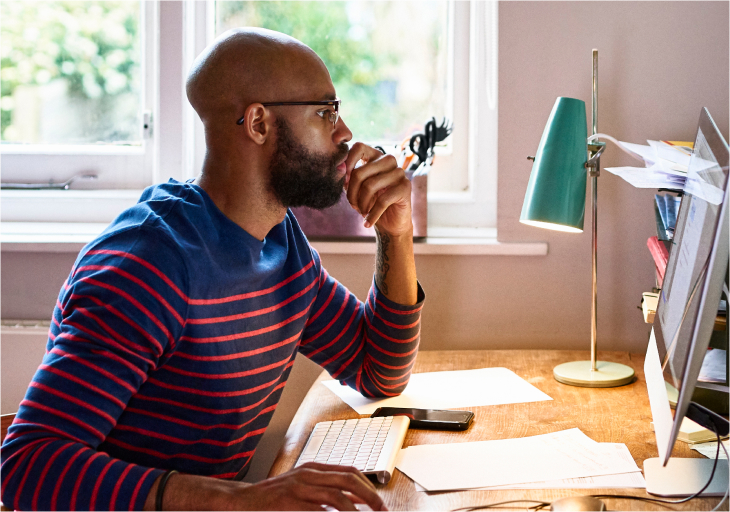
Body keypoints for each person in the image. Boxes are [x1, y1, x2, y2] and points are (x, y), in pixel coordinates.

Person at [0, 28, 424, 511]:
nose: (345, 132)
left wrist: (395, 233)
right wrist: (242, 500)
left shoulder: (281, 243)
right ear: (259, 124)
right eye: (325, 112)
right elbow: (25, 465)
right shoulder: (147, 266)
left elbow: (377, 370)